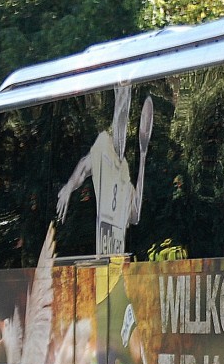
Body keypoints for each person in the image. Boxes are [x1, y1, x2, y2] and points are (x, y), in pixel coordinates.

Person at [57, 84, 154, 255]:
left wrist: (143, 154)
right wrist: (69, 187)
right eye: (120, 103)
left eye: (126, 103)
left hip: (118, 264)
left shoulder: (125, 171)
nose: (121, 120)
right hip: (102, 262)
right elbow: (84, 167)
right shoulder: (103, 145)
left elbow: (135, 215)